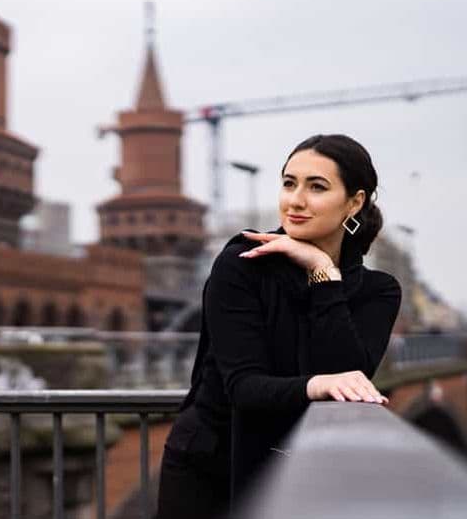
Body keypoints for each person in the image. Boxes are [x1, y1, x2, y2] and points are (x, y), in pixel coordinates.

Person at [156, 134, 402, 518]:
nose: (296, 200)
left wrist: (322, 273)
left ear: (354, 202)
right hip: (211, 468)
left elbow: (350, 373)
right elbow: (243, 386)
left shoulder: (378, 291)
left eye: (316, 187)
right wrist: (316, 384)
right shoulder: (242, 263)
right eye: (289, 183)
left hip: (308, 471)